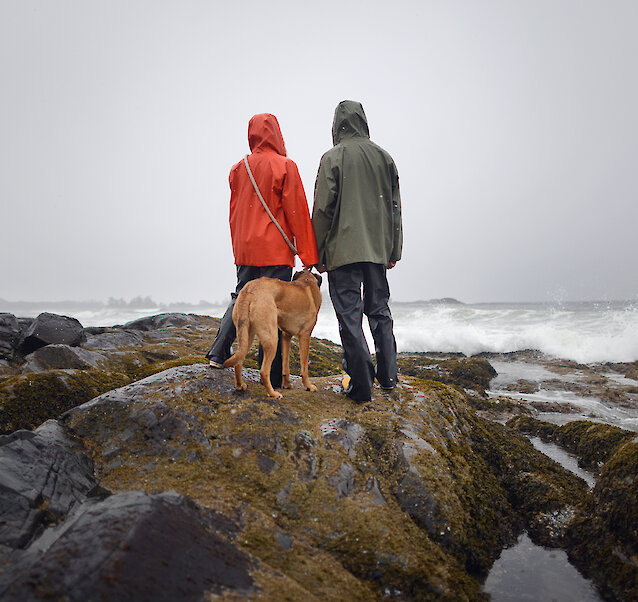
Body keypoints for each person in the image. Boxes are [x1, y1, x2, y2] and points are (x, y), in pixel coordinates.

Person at [206, 113, 318, 388]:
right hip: (275, 249)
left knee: (242, 298)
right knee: (275, 308)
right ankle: (273, 374)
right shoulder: (285, 166)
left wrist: (239, 247)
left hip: (246, 248)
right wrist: (309, 256)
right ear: (277, 134)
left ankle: (218, 353)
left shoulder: (237, 168)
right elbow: (298, 213)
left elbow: (235, 212)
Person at [312, 100, 402, 402]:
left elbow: (323, 210)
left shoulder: (333, 158)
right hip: (376, 250)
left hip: (342, 252)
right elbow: (394, 209)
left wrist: (318, 254)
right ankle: (389, 376)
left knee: (350, 316)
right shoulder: (384, 158)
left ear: (337, 125)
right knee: (379, 310)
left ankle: (361, 385)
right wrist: (394, 249)